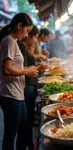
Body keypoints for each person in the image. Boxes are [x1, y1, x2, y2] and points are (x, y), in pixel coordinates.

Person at [0, 13, 38, 150]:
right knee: (10, 135)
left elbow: (15, 67)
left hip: (18, 95)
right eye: (27, 31)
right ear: (19, 25)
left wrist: (28, 68)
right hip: (11, 96)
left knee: (23, 128)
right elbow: (7, 70)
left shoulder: (13, 42)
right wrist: (27, 71)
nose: (27, 35)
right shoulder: (9, 41)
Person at [18, 26, 46, 150]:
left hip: (29, 87)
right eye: (34, 37)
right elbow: (25, 71)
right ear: (28, 35)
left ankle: (28, 143)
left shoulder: (24, 48)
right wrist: (39, 68)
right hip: (26, 88)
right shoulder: (21, 48)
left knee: (27, 119)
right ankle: (25, 144)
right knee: (25, 121)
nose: (35, 40)